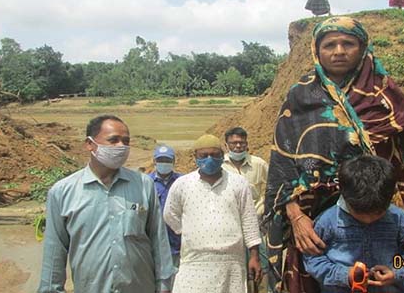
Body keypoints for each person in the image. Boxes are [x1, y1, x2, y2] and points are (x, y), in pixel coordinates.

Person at [264, 16, 404, 293]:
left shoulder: (384, 95)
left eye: (348, 43)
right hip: (314, 219)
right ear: (317, 50)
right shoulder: (300, 97)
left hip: (380, 210)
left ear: (362, 47)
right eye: (330, 44)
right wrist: (297, 218)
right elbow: (283, 165)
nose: (339, 51)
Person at [38, 115, 176, 293]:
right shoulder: (62, 192)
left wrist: (164, 284)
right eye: (113, 140)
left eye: (126, 141)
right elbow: (54, 251)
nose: (121, 146)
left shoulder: (143, 185)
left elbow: (158, 239)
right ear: (90, 144)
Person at [303, 155, 404, 292]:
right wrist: (344, 275)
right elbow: (313, 259)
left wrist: (397, 274)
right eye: (360, 214)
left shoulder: (399, 220)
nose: (369, 220)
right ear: (345, 196)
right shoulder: (327, 222)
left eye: (378, 214)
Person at [163, 134, 262, 293]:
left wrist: (254, 256)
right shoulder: (182, 184)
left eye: (215, 155)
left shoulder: (238, 183)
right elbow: (170, 214)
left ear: (223, 156)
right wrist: (190, 231)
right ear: (195, 157)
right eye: (204, 155)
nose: (209, 159)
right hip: (194, 262)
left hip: (231, 263)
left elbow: (248, 220)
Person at [222, 127, 270, 291]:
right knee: (235, 268)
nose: (238, 146)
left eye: (241, 143)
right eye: (233, 143)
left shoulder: (259, 164)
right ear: (226, 145)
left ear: (247, 144)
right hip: (229, 226)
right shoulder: (220, 167)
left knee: (261, 267)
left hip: (256, 225)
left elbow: (269, 190)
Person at [148, 145, 184, 285]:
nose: (164, 163)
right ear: (154, 161)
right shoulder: (146, 182)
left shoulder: (182, 181)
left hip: (179, 241)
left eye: (167, 160)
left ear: (174, 161)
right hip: (155, 241)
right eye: (160, 160)